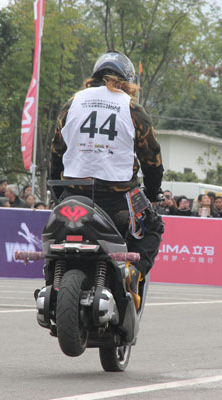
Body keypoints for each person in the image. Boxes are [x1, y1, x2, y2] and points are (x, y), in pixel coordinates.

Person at [50, 50, 164, 301]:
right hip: (117, 200)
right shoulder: (131, 107)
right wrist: (154, 191)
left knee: (53, 233)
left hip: (74, 194)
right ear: (127, 80)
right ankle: (134, 271)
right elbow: (152, 158)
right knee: (154, 226)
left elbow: (56, 152)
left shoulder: (72, 103)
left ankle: (51, 280)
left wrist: (58, 194)